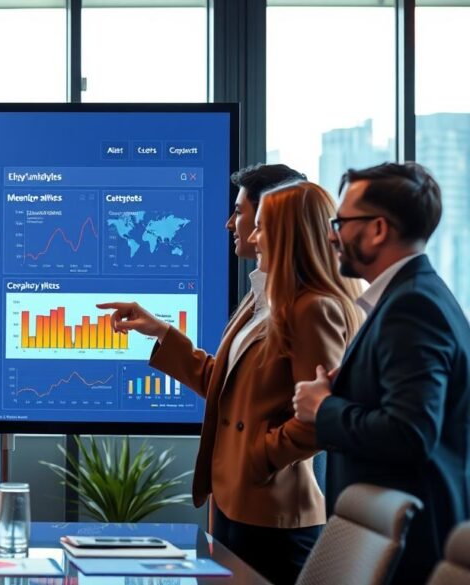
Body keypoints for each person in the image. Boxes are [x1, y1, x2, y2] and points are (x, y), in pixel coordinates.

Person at [98, 176, 362, 585]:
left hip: (273, 517)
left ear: (287, 231)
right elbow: (229, 390)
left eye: (258, 222)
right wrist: (163, 334)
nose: (250, 233)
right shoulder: (264, 299)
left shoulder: (313, 308)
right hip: (235, 504)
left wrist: (256, 458)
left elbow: (320, 415)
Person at [293, 162, 470, 584]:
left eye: (342, 222)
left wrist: (325, 409)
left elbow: (411, 432)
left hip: (408, 550)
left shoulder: (412, 308)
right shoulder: (411, 297)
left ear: (377, 229)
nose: (332, 235)